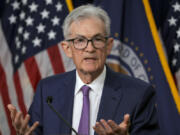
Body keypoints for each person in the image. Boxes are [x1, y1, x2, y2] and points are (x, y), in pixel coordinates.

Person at [7, 4, 159, 135]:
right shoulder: (47, 91)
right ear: (67, 49)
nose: (90, 48)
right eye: (80, 41)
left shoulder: (139, 94)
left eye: (97, 39)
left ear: (109, 46)